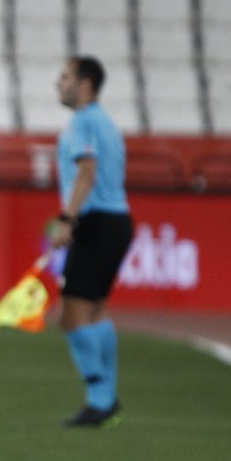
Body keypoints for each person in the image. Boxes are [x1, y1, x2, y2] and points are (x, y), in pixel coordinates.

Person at [49, 55, 132, 428]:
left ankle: (100, 399)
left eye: (65, 77)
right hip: (116, 221)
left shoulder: (82, 121)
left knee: (72, 313)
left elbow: (87, 170)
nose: (58, 83)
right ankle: (106, 398)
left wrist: (68, 218)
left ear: (85, 83)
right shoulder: (105, 123)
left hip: (96, 221)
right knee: (94, 310)